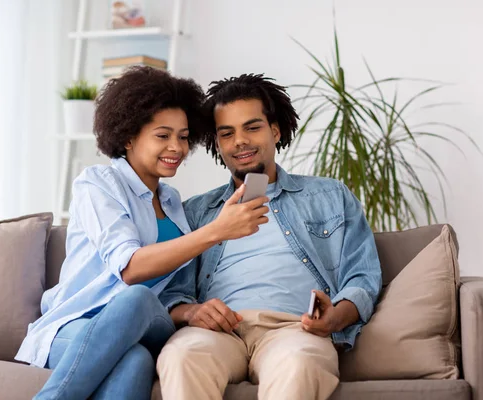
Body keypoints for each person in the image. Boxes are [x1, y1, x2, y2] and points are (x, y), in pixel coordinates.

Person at [15, 67, 269, 400]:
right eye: (162, 136)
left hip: (149, 323)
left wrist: (189, 310)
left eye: (182, 136)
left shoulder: (174, 203)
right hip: (79, 324)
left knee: (139, 303)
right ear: (129, 136)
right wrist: (215, 231)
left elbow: (171, 291)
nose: (176, 147)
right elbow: (130, 269)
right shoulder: (98, 185)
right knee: (134, 359)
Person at [156, 74, 383, 400]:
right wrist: (190, 312)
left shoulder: (329, 195)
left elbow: (362, 276)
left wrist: (335, 318)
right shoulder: (194, 212)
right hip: (218, 333)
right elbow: (170, 293)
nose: (240, 142)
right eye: (227, 133)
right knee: (180, 357)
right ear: (218, 144)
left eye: (252, 127)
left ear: (274, 130)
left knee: (299, 363)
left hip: (293, 330)